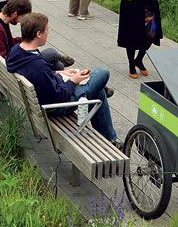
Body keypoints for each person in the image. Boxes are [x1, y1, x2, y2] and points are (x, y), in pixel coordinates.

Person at [7, 13, 119, 147]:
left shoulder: (18, 50)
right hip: (56, 107)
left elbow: (41, 77)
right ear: (38, 34)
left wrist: (61, 73)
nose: (48, 32)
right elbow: (57, 95)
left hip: (42, 99)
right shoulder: (38, 65)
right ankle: (110, 139)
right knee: (102, 73)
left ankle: (109, 139)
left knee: (98, 91)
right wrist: (74, 81)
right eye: (47, 29)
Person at [0, 0, 74, 78]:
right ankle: (56, 66)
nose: (22, 22)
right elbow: (3, 63)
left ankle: (57, 64)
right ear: (15, 13)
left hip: (14, 63)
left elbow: (8, 43)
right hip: (15, 70)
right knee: (52, 53)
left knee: (58, 65)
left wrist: (28, 40)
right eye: (23, 17)